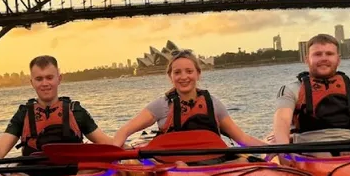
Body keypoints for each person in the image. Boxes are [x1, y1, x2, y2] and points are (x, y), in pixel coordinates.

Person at [0, 55, 113, 176]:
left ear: (59, 79)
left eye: (49, 77)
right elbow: (0, 149)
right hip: (32, 175)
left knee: (92, 168)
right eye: (39, 79)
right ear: (32, 82)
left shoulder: (76, 111)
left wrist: (124, 144)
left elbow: (105, 143)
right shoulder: (23, 114)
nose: (45, 83)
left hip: (73, 173)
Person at [112, 49, 265, 153]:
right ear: (170, 76)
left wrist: (273, 149)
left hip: (213, 163)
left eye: (189, 71)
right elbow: (125, 131)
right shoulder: (161, 105)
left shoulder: (213, 104)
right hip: (176, 167)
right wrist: (116, 150)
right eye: (177, 72)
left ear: (198, 74)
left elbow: (242, 138)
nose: (183, 77)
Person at [270, 33, 350, 156]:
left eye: (329, 54)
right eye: (317, 54)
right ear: (307, 60)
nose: (324, 58)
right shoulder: (291, 90)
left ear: (338, 59)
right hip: (309, 149)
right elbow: (282, 124)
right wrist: (285, 153)